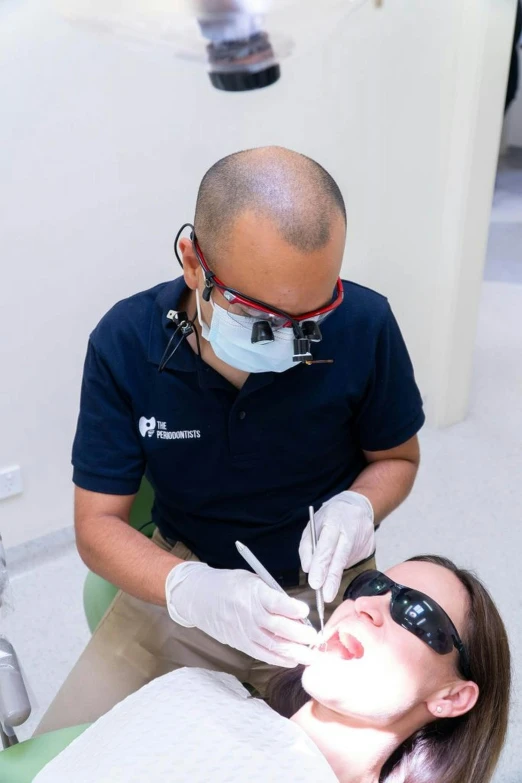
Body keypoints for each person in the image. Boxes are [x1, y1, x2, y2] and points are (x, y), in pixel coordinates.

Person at [36, 146, 425, 734]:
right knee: (72, 757)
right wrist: (191, 589)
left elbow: (397, 457)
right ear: (194, 261)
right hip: (187, 583)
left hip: (325, 591)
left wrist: (359, 505)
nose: (292, 344)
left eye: (311, 319)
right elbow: (97, 528)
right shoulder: (124, 343)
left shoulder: (365, 324)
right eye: (261, 318)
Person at [34, 556, 511, 783]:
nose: (367, 605)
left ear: (451, 697)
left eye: (416, 613)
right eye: (370, 585)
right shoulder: (196, 690)